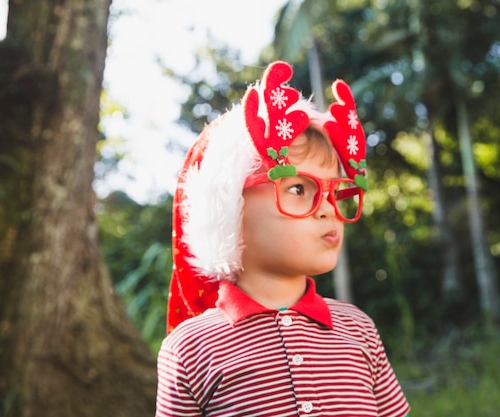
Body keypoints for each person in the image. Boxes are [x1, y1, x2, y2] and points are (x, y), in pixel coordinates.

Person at [155, 61, 410, 417]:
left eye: (336, 192)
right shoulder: (189, 347)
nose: (328, 209)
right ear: (228, 206)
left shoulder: (358, 328)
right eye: (297, 187)